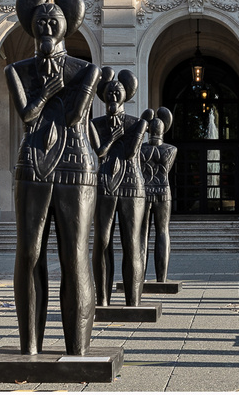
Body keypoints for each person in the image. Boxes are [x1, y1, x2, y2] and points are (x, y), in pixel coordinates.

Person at [5, 0, 103, 356]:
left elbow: (77, 115)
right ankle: (29, 344)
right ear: (31, 25)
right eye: (41, 20)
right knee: (28, 253)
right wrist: (47, 93)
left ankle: (77, 347)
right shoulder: (17, 70)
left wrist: (48, 95)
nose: (47, 24)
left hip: (75, 165)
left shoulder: (86, 69)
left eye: (54, 19)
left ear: (67, 25)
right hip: (32, 163)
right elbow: (28, 115)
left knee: (74, 254)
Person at [91, 70, 149, 307]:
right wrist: (114, 138)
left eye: (118, 93)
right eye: (109, 93)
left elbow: (130, 152)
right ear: (103, 97)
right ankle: (102, 300)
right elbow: (99, 152)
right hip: (105, 184)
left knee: (131, 243)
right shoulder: (95, 124)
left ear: (125, 95)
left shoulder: (137, 123)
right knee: (102, 241)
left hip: (132, 185)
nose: (113, 96)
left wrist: (134, 132)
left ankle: (132, 302)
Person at [138, 108, 177, 285]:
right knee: (162, 231)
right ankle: (161, 278)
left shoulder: (140, 150)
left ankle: (140, 277)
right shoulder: (170, 149)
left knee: (142, 234)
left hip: (145, 191)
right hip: (163, 190)